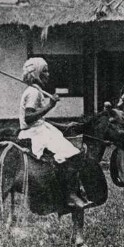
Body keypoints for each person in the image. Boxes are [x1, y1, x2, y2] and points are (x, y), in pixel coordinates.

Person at [18, 57, 92, 209]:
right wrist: (50, 105)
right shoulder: (34, 92)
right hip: (34, 133)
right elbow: (29, 117)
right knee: (71, 152)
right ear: (37, 74)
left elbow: (41, 120)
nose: (48, 74)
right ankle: (70, 194)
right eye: (44, 71)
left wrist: (63, 126)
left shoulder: (36, 91)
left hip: (39, 129)